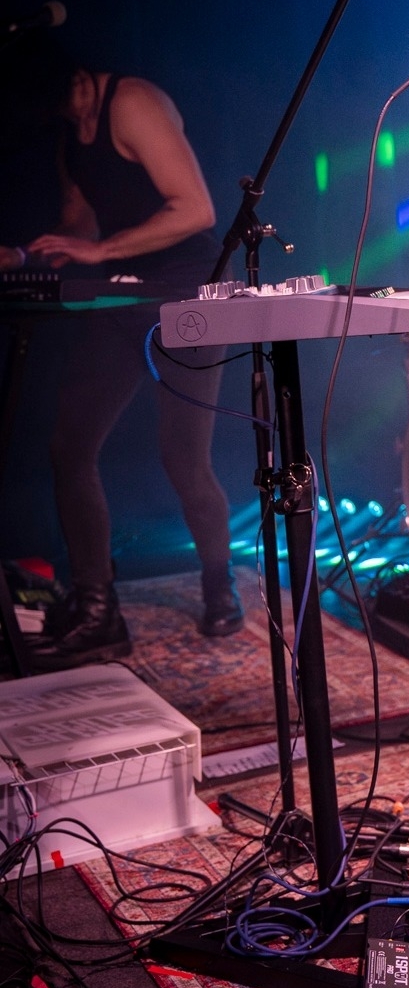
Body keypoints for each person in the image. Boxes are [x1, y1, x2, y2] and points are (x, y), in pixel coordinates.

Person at [0, 36, 243, 667]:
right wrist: (25, 254)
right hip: (123, 294)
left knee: (184, 458)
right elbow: (80, 225)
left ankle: (218, 580)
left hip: (190, 293)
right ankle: (96, 605)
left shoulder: (131, 102)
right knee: (69, 446)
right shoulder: (70, 130)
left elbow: (195, 209)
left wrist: (101, 250)